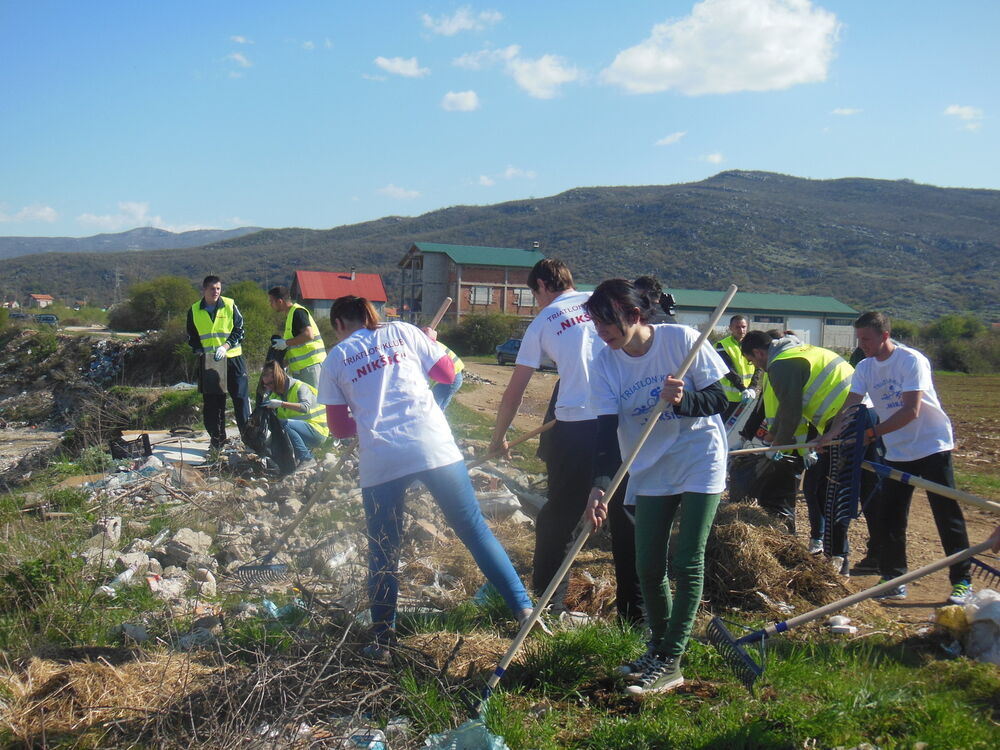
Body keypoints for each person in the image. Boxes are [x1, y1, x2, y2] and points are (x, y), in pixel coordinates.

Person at [317, 295, 534, 659]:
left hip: (382, 458)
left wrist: (367, 412)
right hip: (433, 445)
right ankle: (523, 609)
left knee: (384, 549)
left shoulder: (336, 357)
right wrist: (428, 344)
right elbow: (448, 375)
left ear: (339, 324)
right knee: (474, 529)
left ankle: (383, 639)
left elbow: (339, 428)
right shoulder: (403, 331)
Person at [583, 278, 728, 695]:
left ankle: (673, 659)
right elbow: (607, 433)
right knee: (647, 564)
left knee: (687, 560)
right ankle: (659, 648)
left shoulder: (680, 340)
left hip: (699, 456)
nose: (602, 333)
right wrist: (599, 487)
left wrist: (685, 400)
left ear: (634, 315)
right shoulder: (605, 362)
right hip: (647, 464)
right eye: (596, 325)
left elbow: (721, 400)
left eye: (607, 323)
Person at [823, 311, 972, 604]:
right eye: (859, 339)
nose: (862, 344)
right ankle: (894, 578)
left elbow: (911, 410)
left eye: (867, 338)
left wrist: (868, 434)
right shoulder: (865, 367)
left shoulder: (910, 361)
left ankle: (962, 582)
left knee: (946, 515)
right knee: (889, 516)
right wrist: (831, 434)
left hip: (931, 446)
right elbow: (851, 407)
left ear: (885, 336)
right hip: (898, 451)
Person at [489, 258, 605, 615]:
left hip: (576, 424)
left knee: (558, 516)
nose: (535, 301)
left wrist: (498, 439)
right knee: (624, 505)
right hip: (623, 418)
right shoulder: (602, 300)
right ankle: (637, 615)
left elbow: (515, 390)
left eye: (532, 294)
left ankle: (546, 601)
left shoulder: (544, 320)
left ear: (541, 285)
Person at [741, 329, 854, 574]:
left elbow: (791, 413)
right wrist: (776, 440)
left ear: (759, 352)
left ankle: (840, 558)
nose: (756, 366)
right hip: (839, 420)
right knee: (817, 489)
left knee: (830, 491)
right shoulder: (791, 354)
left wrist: (777, 448)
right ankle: (835, 553)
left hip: (849, 418)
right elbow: (786, 409)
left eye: (752, 361)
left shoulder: (782, 364)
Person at [186, 275, 251, 453]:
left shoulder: (230, 305)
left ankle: (249, 439)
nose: (215, 292)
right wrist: (200, 351)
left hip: (233, 358)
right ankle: (217, 440)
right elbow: (192, 337)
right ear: (204, 290)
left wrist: (226, 346)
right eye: (212, 289)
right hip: (210, 361)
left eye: (218, 289)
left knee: (240, 399)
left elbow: (239, 330)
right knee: (213, 402)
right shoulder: (194, 310)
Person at [259, 360, 328, 468]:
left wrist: (282, 404)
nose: (269, 387)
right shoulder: (274, 396)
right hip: (301, 432)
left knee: (283, 423)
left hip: (317, 430)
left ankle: (307, 458)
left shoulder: (300, 387)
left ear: (279, 379)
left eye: (270, 383)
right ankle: (290, 460)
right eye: (266, 385)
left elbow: (305, 407)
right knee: (276, 427)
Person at [267, 286, 327, 388]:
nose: (270, 304)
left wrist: (285, 343)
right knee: (307, 402)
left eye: (271, 301)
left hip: (311, 366)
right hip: (302, 368)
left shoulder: (297, 312)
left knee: (313, 401)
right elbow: (295, 346)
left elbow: (308, 335)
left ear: (280, 301)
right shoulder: (290, 315)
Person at [715, 314, 758, 419]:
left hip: (748, 396)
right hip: (728, 398)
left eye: (743, 327)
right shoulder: (722, 345)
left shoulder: (753, 344)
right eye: (737, 327)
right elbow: (728, 369)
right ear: (730, 328)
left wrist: (752, 387)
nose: (741, 330)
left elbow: (759, 366)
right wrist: (743, 389)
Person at [421, 327, 465, 411]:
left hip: (453, 377)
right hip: (455, 374)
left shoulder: (428, 346)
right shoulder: (429, 343)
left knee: (434, 407)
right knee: (436, 405)